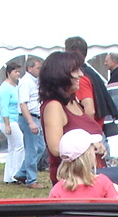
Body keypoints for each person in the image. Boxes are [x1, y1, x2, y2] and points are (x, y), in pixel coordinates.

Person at [40, 50, 104, 183]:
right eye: (75, 71)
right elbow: (56, 149)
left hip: (90, 178)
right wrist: (91, 145)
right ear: (60, 75)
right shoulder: (54, 106)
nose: (81, 74)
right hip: (73, 183)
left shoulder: (73, 102)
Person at [48, 129, 118, 199]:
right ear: (89, 155)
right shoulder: (103, 183)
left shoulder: (57, 190)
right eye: (93, 148)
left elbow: (52, 216)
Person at [16, 57, 45, 188]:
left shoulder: (35, 82)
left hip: (36, 117)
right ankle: (31, 180)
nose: (40, 70)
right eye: (38, 68)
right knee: (32, 149)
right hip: (29, 117)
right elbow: (23, 104)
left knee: (40, 147)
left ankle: (22, 172)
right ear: (30, 68)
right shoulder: (25, 82)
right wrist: (30, 122)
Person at [0, 62, 24, 186]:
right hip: (9, 121)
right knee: (19, 146)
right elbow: (4, 108)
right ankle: (15, 174)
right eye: (16, 72)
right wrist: (7, 124)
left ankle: (9, 176)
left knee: (12, 148)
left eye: (19, 72)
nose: (18, 74)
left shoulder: (15, 86)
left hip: (14, 120)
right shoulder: (4, 88)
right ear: (9, 73)